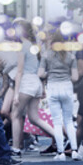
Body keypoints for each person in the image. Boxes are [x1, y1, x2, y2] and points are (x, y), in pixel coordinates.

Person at [8, 21, 59, 156]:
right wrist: (41, 88)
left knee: (15, 115)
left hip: (27, 83)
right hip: (35, 83)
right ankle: (60, 138)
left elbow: (19, 72)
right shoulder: (34, 46)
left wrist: (16, 94)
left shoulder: (23, 47)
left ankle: (15, 148)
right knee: (34, 118)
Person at [42, 36, 81, 161]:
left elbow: (40, 74)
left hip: (53, 87)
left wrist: (50, 73)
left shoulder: (46, 56)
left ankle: (60, 153)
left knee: (57, 122)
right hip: (67, 87)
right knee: (68, 121)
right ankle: (74, 151)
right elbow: (75, 77)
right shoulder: (71, 57)